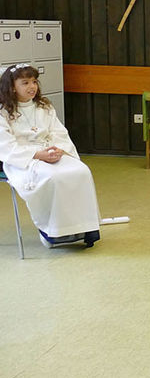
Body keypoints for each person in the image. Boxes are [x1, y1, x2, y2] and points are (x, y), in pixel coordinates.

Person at [0, 63, 101, 248]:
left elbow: (58, 132)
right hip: (25, 158)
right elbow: (6, 145)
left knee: (81, 171)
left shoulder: (43, 106)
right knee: (52, 177)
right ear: (12, 87)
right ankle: (52, 231)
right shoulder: (3, 112)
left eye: (34, 82)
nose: (32, 87)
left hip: (50, 150)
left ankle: (83, 228)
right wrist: (38, 154)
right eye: (25, 83)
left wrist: (59, 149)